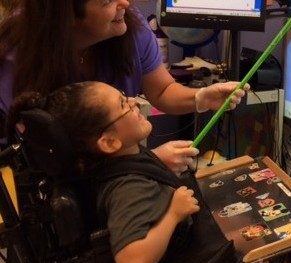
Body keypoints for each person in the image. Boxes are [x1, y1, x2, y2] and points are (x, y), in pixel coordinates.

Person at [7, 81, 273, 263]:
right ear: (110, 142)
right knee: (254, 232)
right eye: (124, 105)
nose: (135, 103)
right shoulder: (129, 188)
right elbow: (132, 262)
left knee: (245, 223)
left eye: (126, 97)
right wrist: (172, 214)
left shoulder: (120, 162)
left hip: (180, 244)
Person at [0, 0, 248, 175]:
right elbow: (50, 162)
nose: (126, 3)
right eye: (107, 1)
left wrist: (202, 97)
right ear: (68, 16)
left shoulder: (131, 27)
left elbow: (161, 91)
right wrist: (147, 164)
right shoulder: (15, 60)